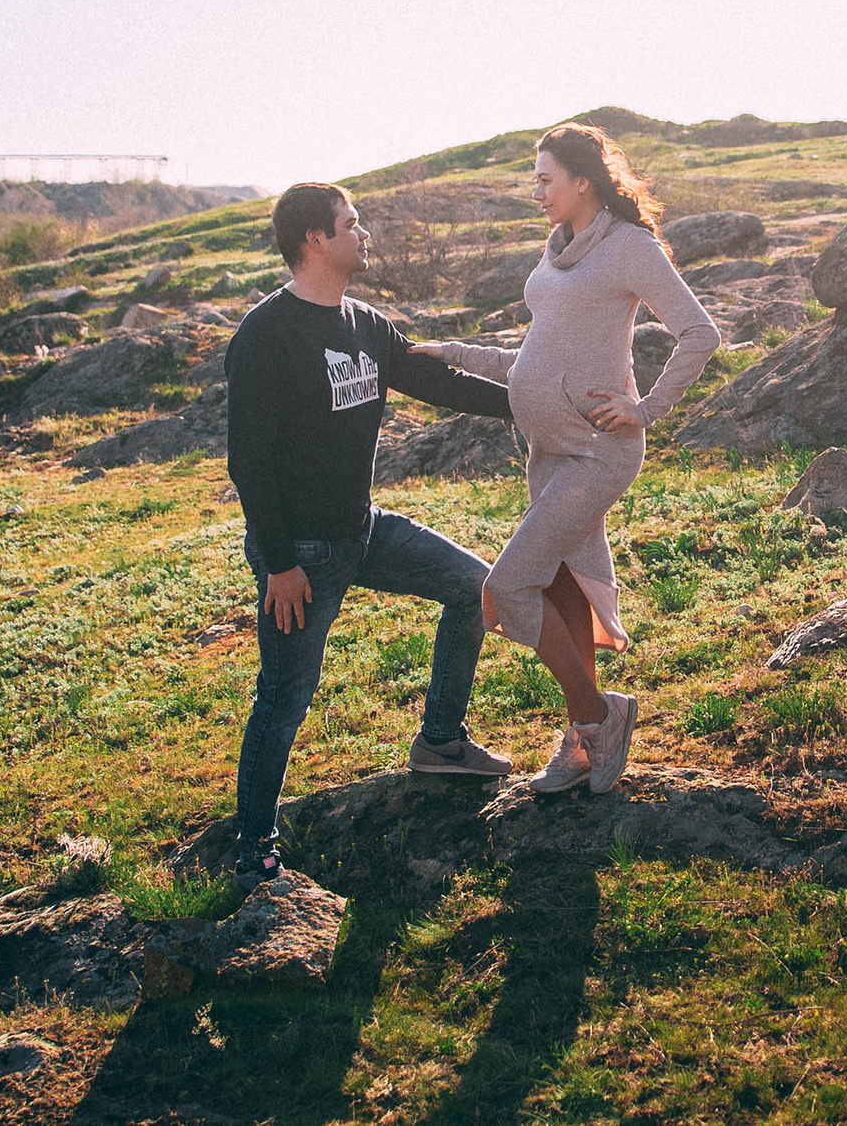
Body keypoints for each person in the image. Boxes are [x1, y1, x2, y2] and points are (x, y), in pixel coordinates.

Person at [223, 181, 518, 889]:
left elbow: (436, 381)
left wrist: (528, 406)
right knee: (284, 698)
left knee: (475, 587)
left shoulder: (365, 323)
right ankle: (253, 846)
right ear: (314, 240)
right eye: (352, 224)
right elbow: (248, 461)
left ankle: (441, 740)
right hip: (300, 554)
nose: (366, 234)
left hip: (362, 529)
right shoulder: (266, 335)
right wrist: (281, 563)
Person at [417, 124, 720, 795]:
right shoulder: (557, 252)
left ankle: (600, 714)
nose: (537, 190)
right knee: (565, 590)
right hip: (551, 453)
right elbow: (537, 358)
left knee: (508, 587)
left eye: (545, 178)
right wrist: (458, 353)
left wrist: (646, 408)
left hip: (597, 451)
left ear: (583, 180)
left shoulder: (629, 247)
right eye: (534, 179)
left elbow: (701, 332)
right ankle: (584, 742)